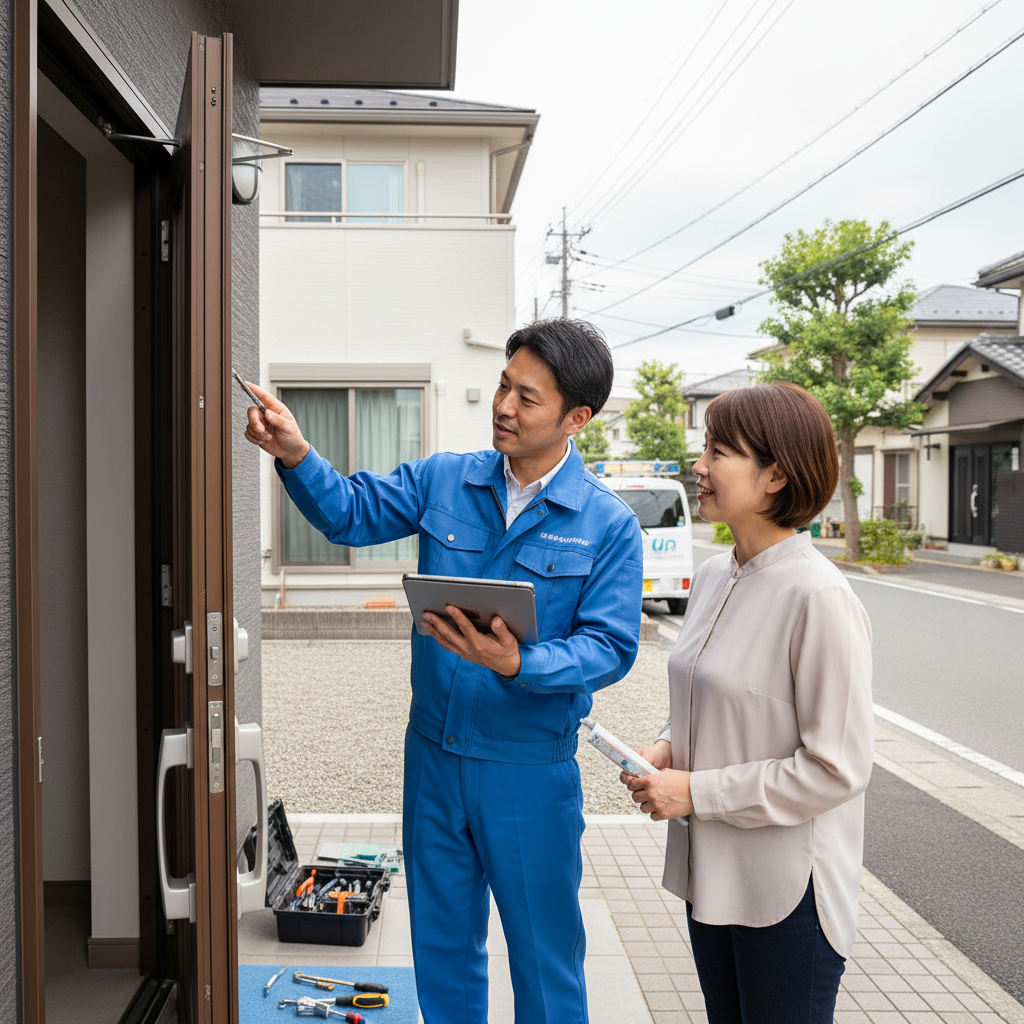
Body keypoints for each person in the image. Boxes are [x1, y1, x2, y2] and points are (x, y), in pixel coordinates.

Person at [244, 319, 642, 1024]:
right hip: (432, 756)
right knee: (443, 951)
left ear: (576, 418)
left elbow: (610, 647)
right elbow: (351, 514)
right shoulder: (446, 479)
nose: (504, 406)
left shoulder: (606, 524)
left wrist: (521, 662)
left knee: (545, 962)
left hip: (528, 769)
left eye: (527, 397)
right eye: (503, 385)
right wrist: (297, 454)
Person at [620, 382, 873, 1024]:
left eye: (718, 451)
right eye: (704, 448)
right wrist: (668, 746)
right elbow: (709, 691)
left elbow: (837, 769)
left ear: (776, 476)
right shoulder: (715, 574)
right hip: (712, 874)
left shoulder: (818, 596)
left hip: (788, 894)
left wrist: (695, 791)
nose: (698, 466)